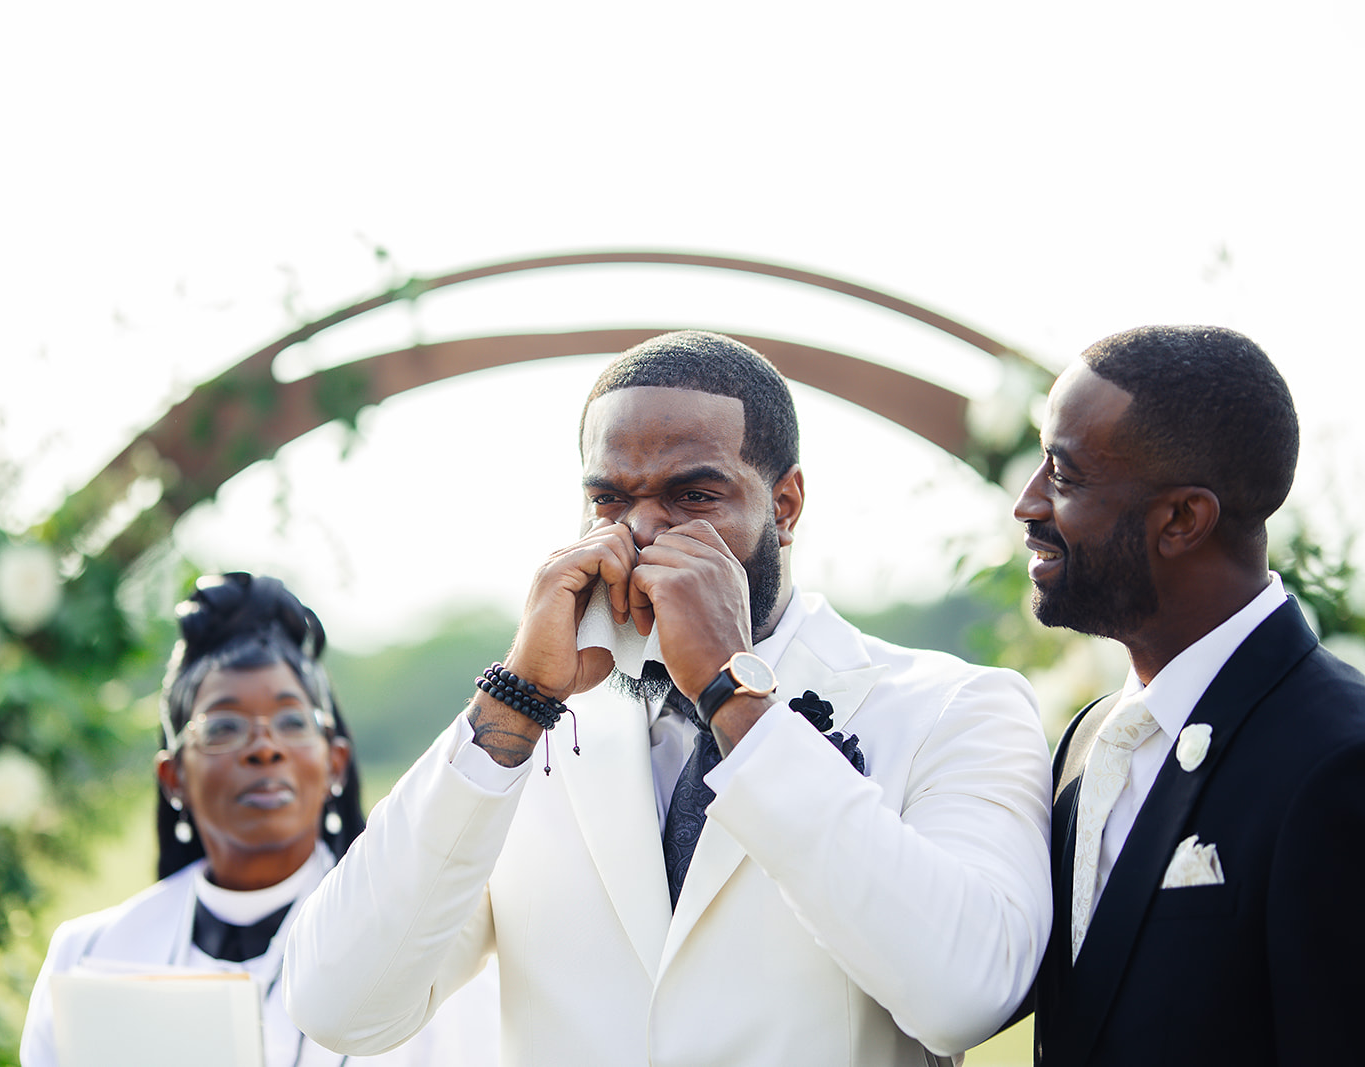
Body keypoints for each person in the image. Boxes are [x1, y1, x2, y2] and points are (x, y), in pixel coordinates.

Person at [284, 331, 1052, 1066]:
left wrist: (733, 693)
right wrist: (514, 702)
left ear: (784, 507)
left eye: (692, 495)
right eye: (610, 499)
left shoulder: (953, 708)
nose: (643, 530)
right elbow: (340, 1003)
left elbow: (968, 995)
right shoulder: (526, 740)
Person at [1013, 325, 1365, 1065]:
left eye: (1064, 475)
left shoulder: (1341, 759)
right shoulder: (1087, 739)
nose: (1028, 503)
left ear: (1182, 519)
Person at [21, 572, 498, 1067]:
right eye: (224, 726)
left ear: (334, 762)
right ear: (173, 777)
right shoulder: (87, 954)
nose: (265, 749)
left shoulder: (420, 953)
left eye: (292, 721)